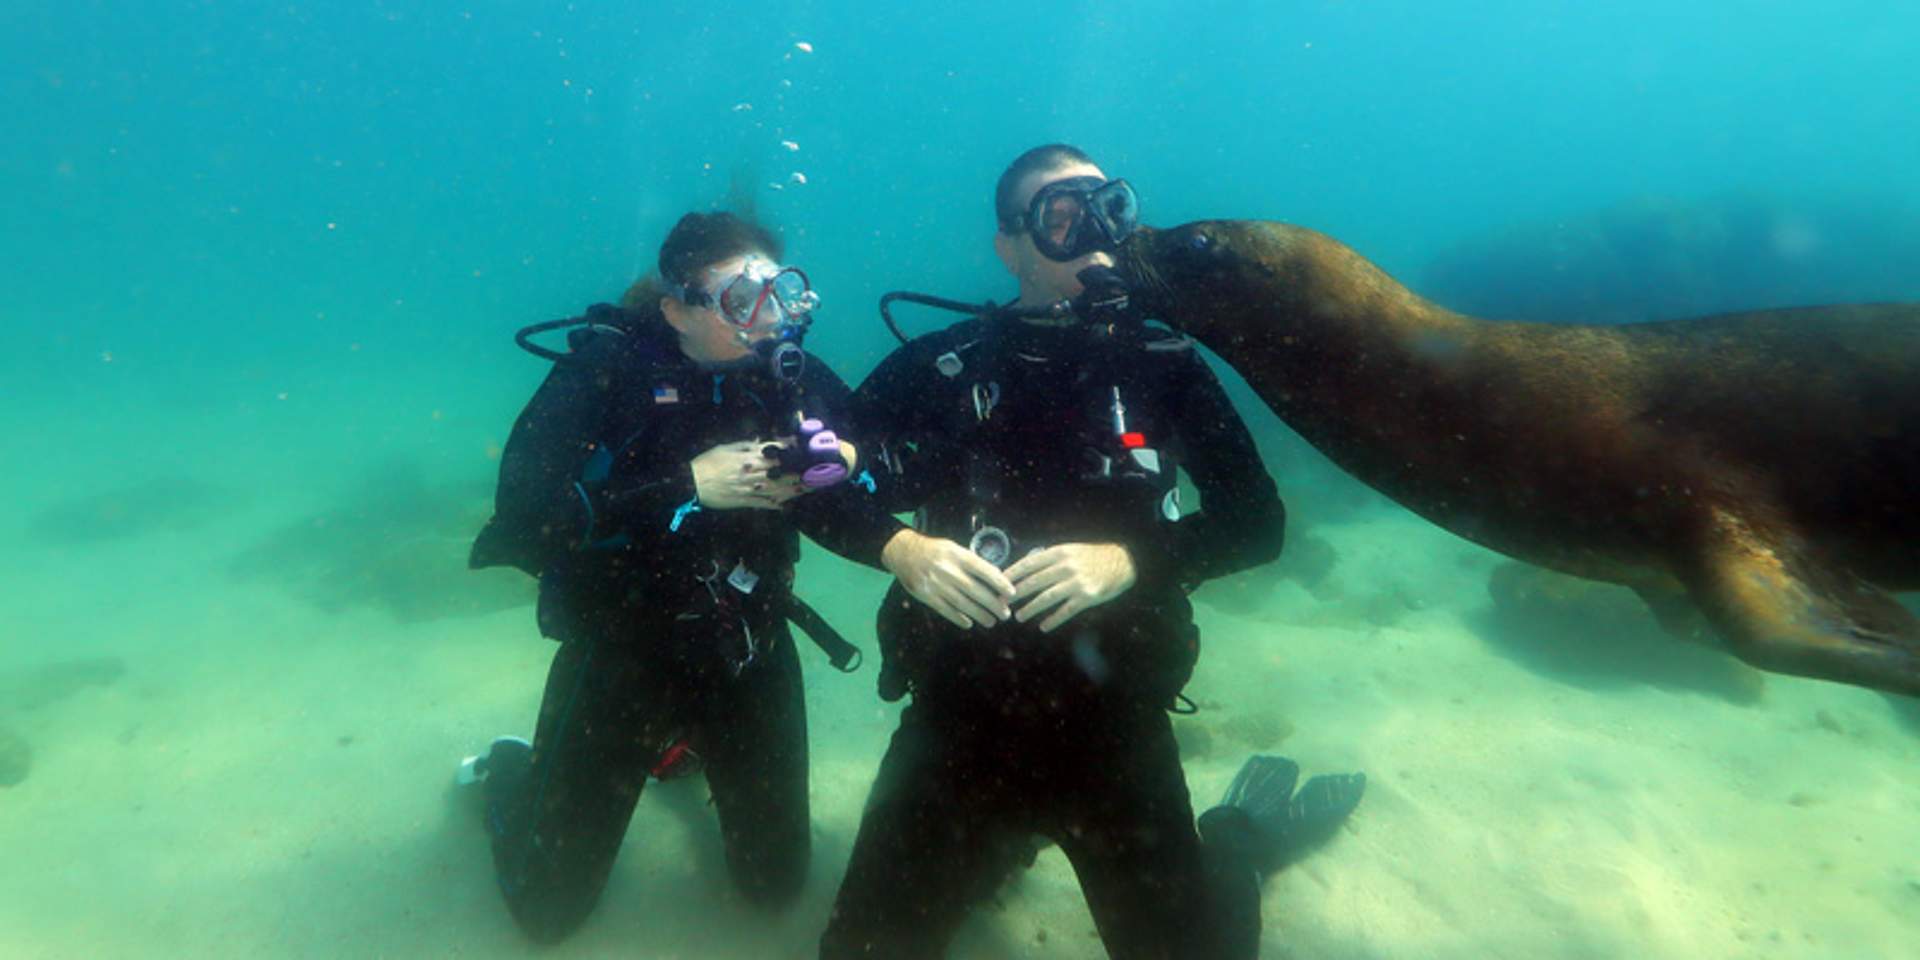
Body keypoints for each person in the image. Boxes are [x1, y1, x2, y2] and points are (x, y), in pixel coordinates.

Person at [819, 144, 1363, 959]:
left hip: (1117, 732)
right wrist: (898, 547)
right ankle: (1001, 844)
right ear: (1010, 246)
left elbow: (1259, 522)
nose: (1095, 237)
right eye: (1062, 218)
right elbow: (817, 483)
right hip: (955, 726)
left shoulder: (1167, 366)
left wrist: (1131, 560)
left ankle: (1239, 845)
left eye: (1108, 210)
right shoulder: (937, 366)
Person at [459, 211, 906, 943]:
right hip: (620, 649)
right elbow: (521, 521)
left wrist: (846, 465)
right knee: (547, 910)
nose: (770, 319)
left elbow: (879, 465)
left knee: (774, 886)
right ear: (677, 310)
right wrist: (685, 484)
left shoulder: (793, 377)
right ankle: (511, 770)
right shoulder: (605, 374)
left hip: (748, 642)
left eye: (780, 293)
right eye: (741, 299)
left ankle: (680, 747)